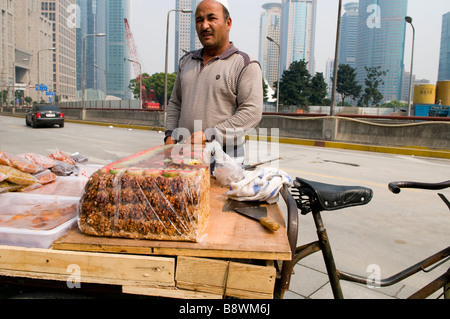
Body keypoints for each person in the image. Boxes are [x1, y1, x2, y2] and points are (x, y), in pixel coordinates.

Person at [164, 0, 263, 165]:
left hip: (224, 161)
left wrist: (209, 134)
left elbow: (251, 112)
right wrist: (170, 136)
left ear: (228, 22)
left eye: (211, 18)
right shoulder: (186, 62)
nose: (204, 26)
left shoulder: (244, 64)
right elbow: (176, 103)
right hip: (184, 156)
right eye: (199, 20)